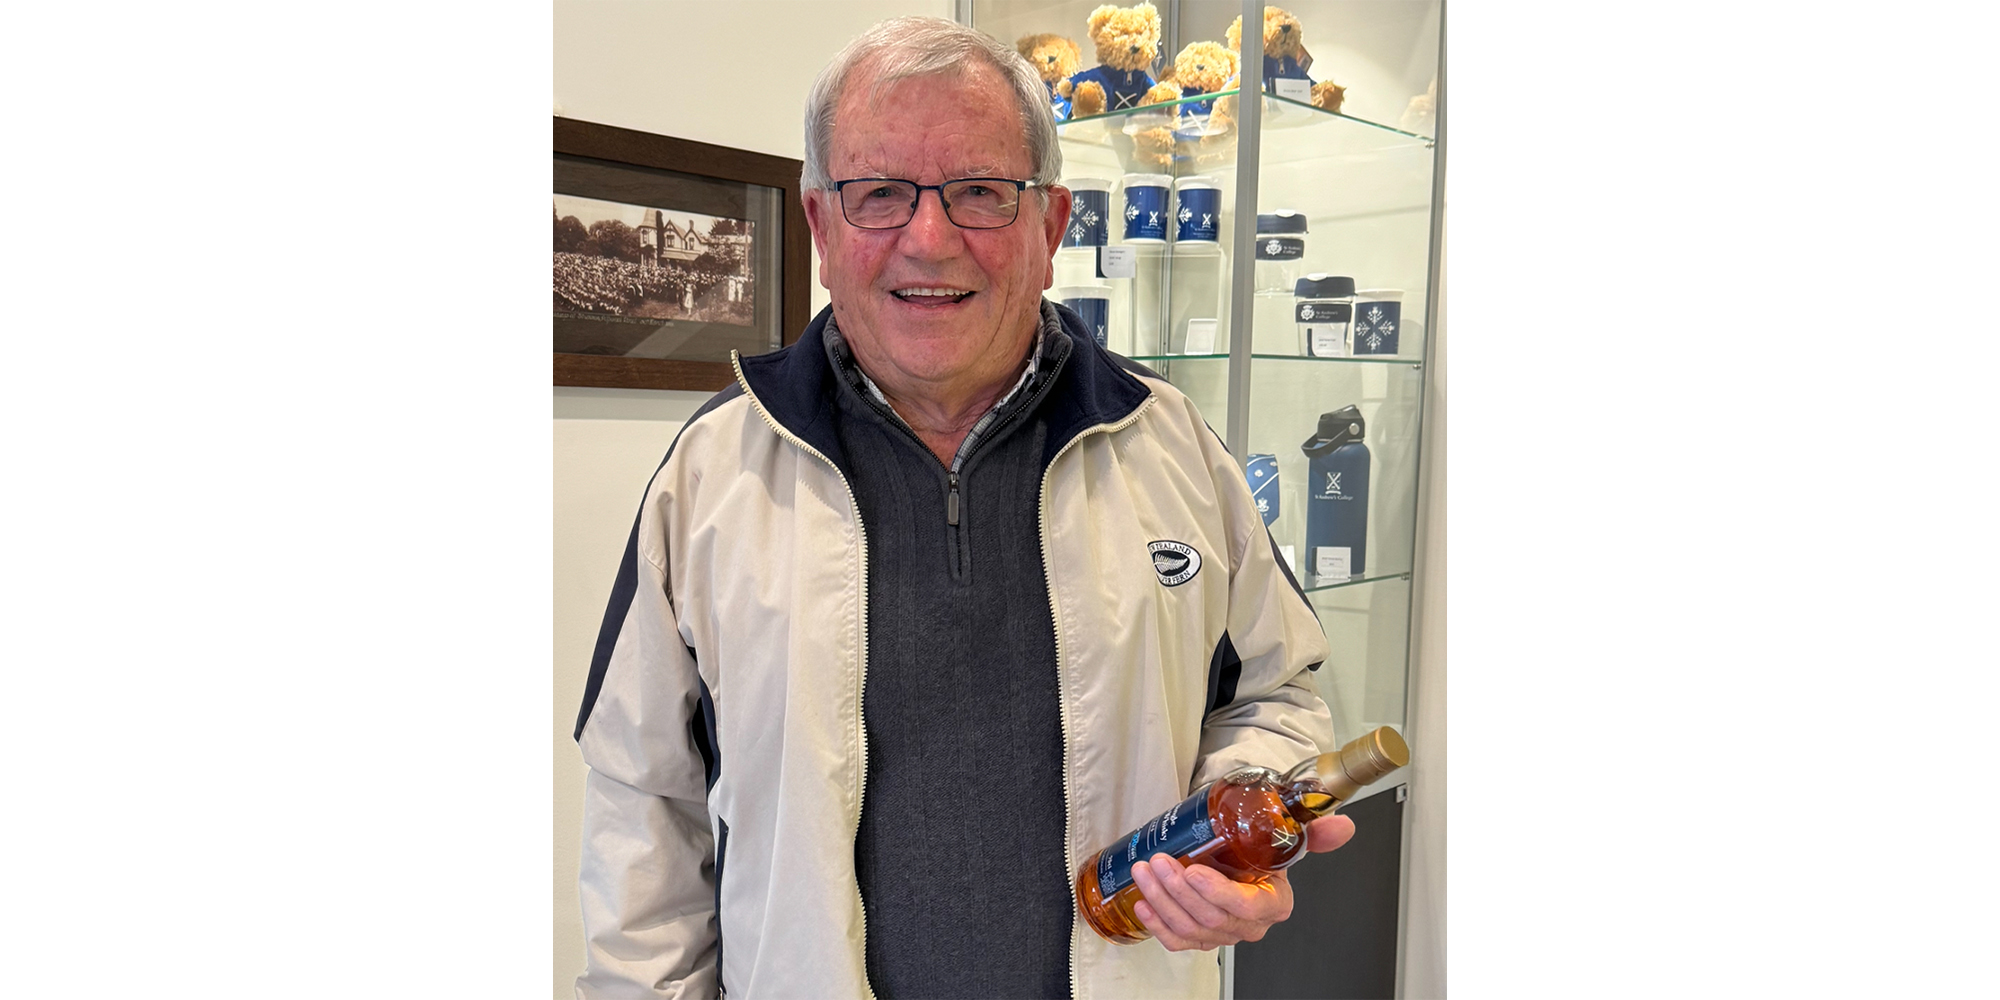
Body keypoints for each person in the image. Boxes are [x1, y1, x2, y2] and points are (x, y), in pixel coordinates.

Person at [573, 16, 1352, 999]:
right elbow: (643, 804)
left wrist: (1228, 827)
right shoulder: (713, 472)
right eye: (878, 193)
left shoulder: (1172, 445)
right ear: (820, 227)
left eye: (980, 191)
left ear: (1050, 227)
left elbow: (1278, 692)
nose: (929, 239)